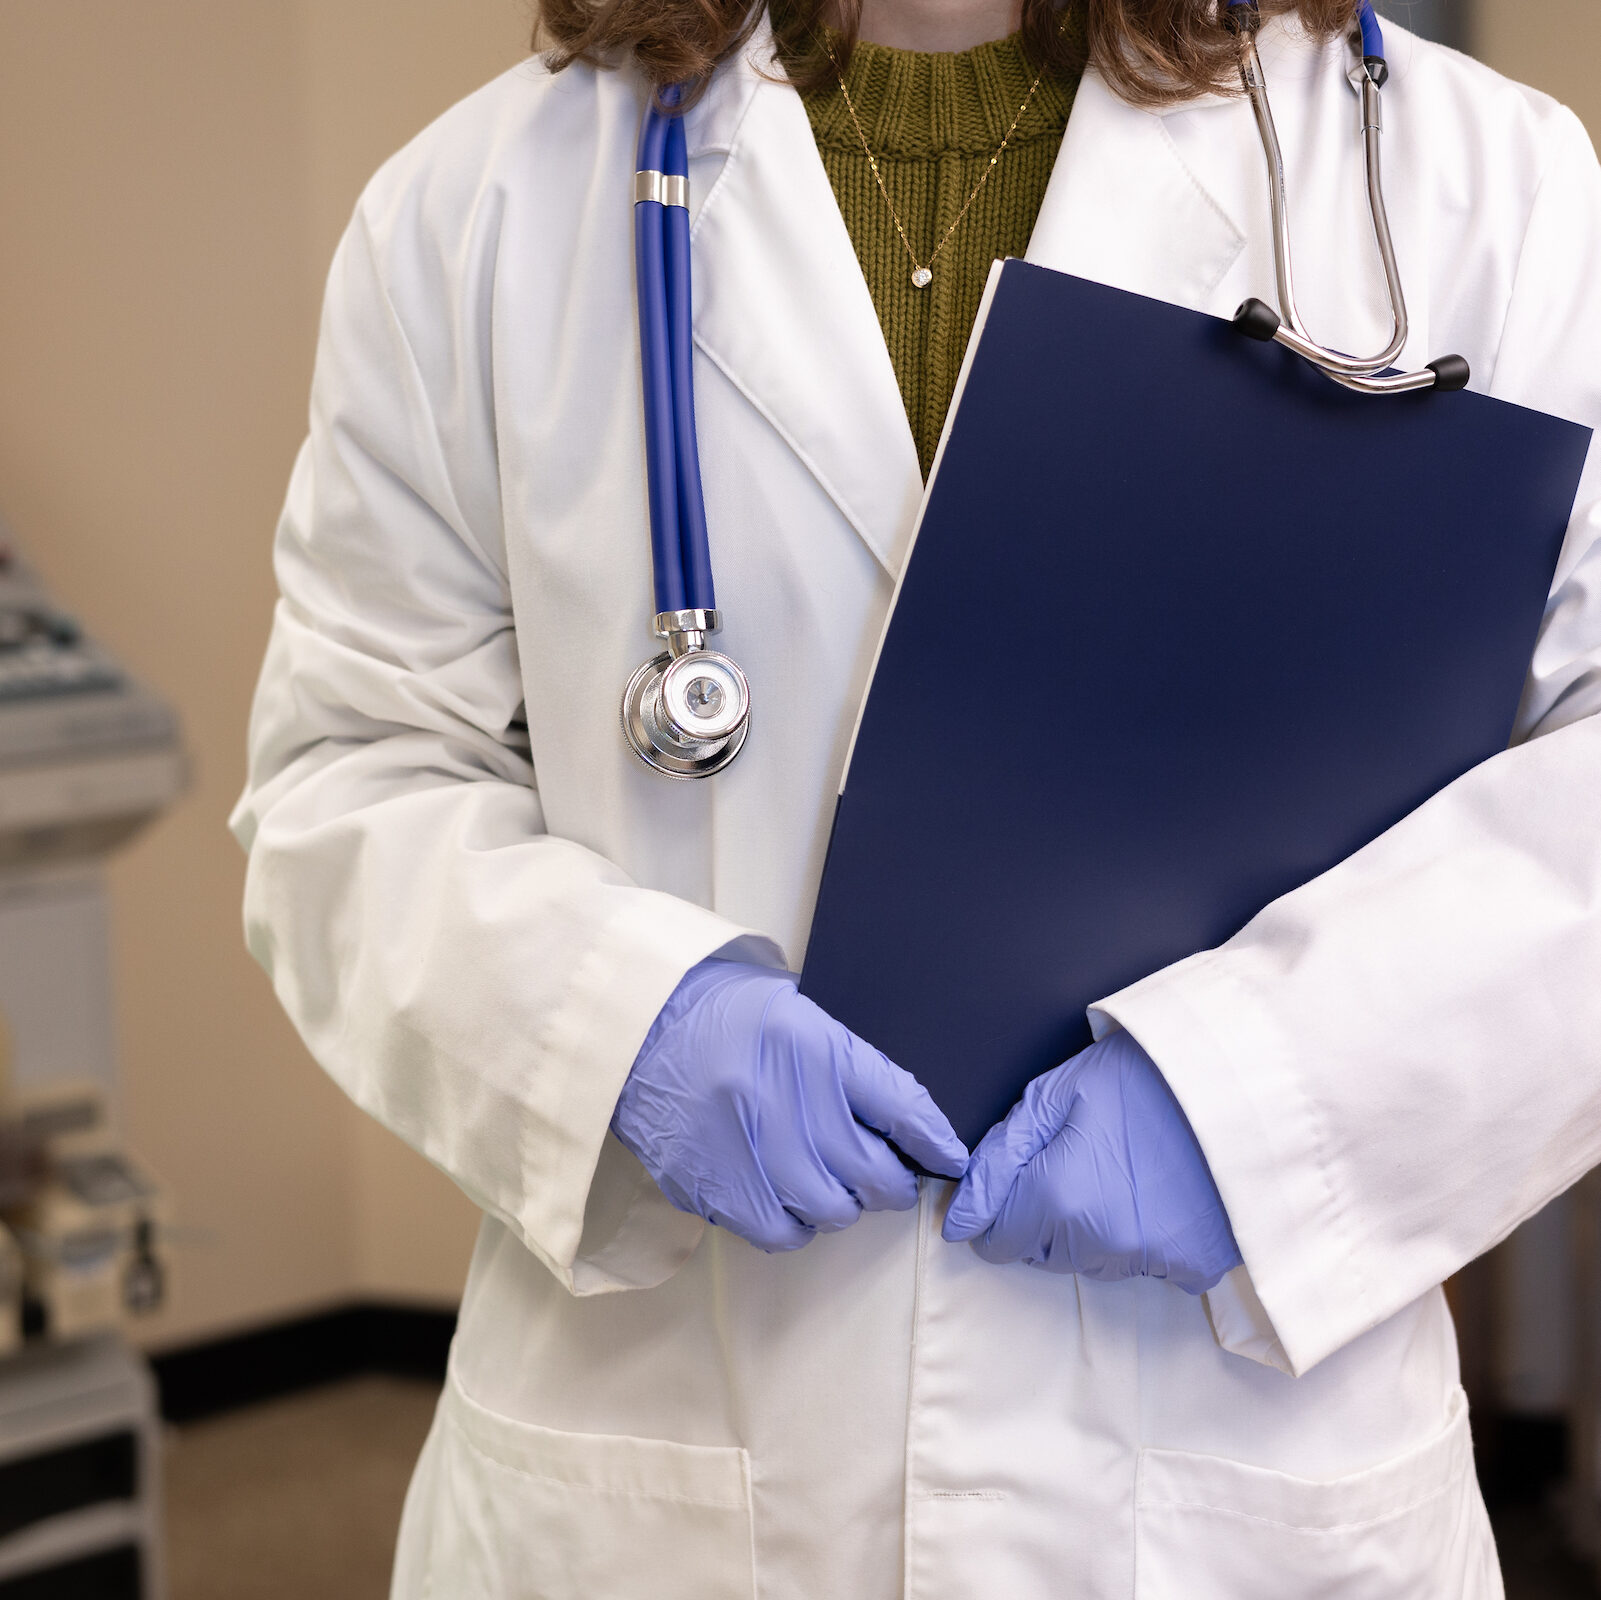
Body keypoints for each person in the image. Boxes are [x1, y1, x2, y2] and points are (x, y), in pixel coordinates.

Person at [230, 0, 1601, 1592]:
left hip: (1237, 1483)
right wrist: (621, 1032)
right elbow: (350, 772)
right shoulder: (478, 207)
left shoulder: (1470, 181)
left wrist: (1258, 1101)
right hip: (668, 1458)